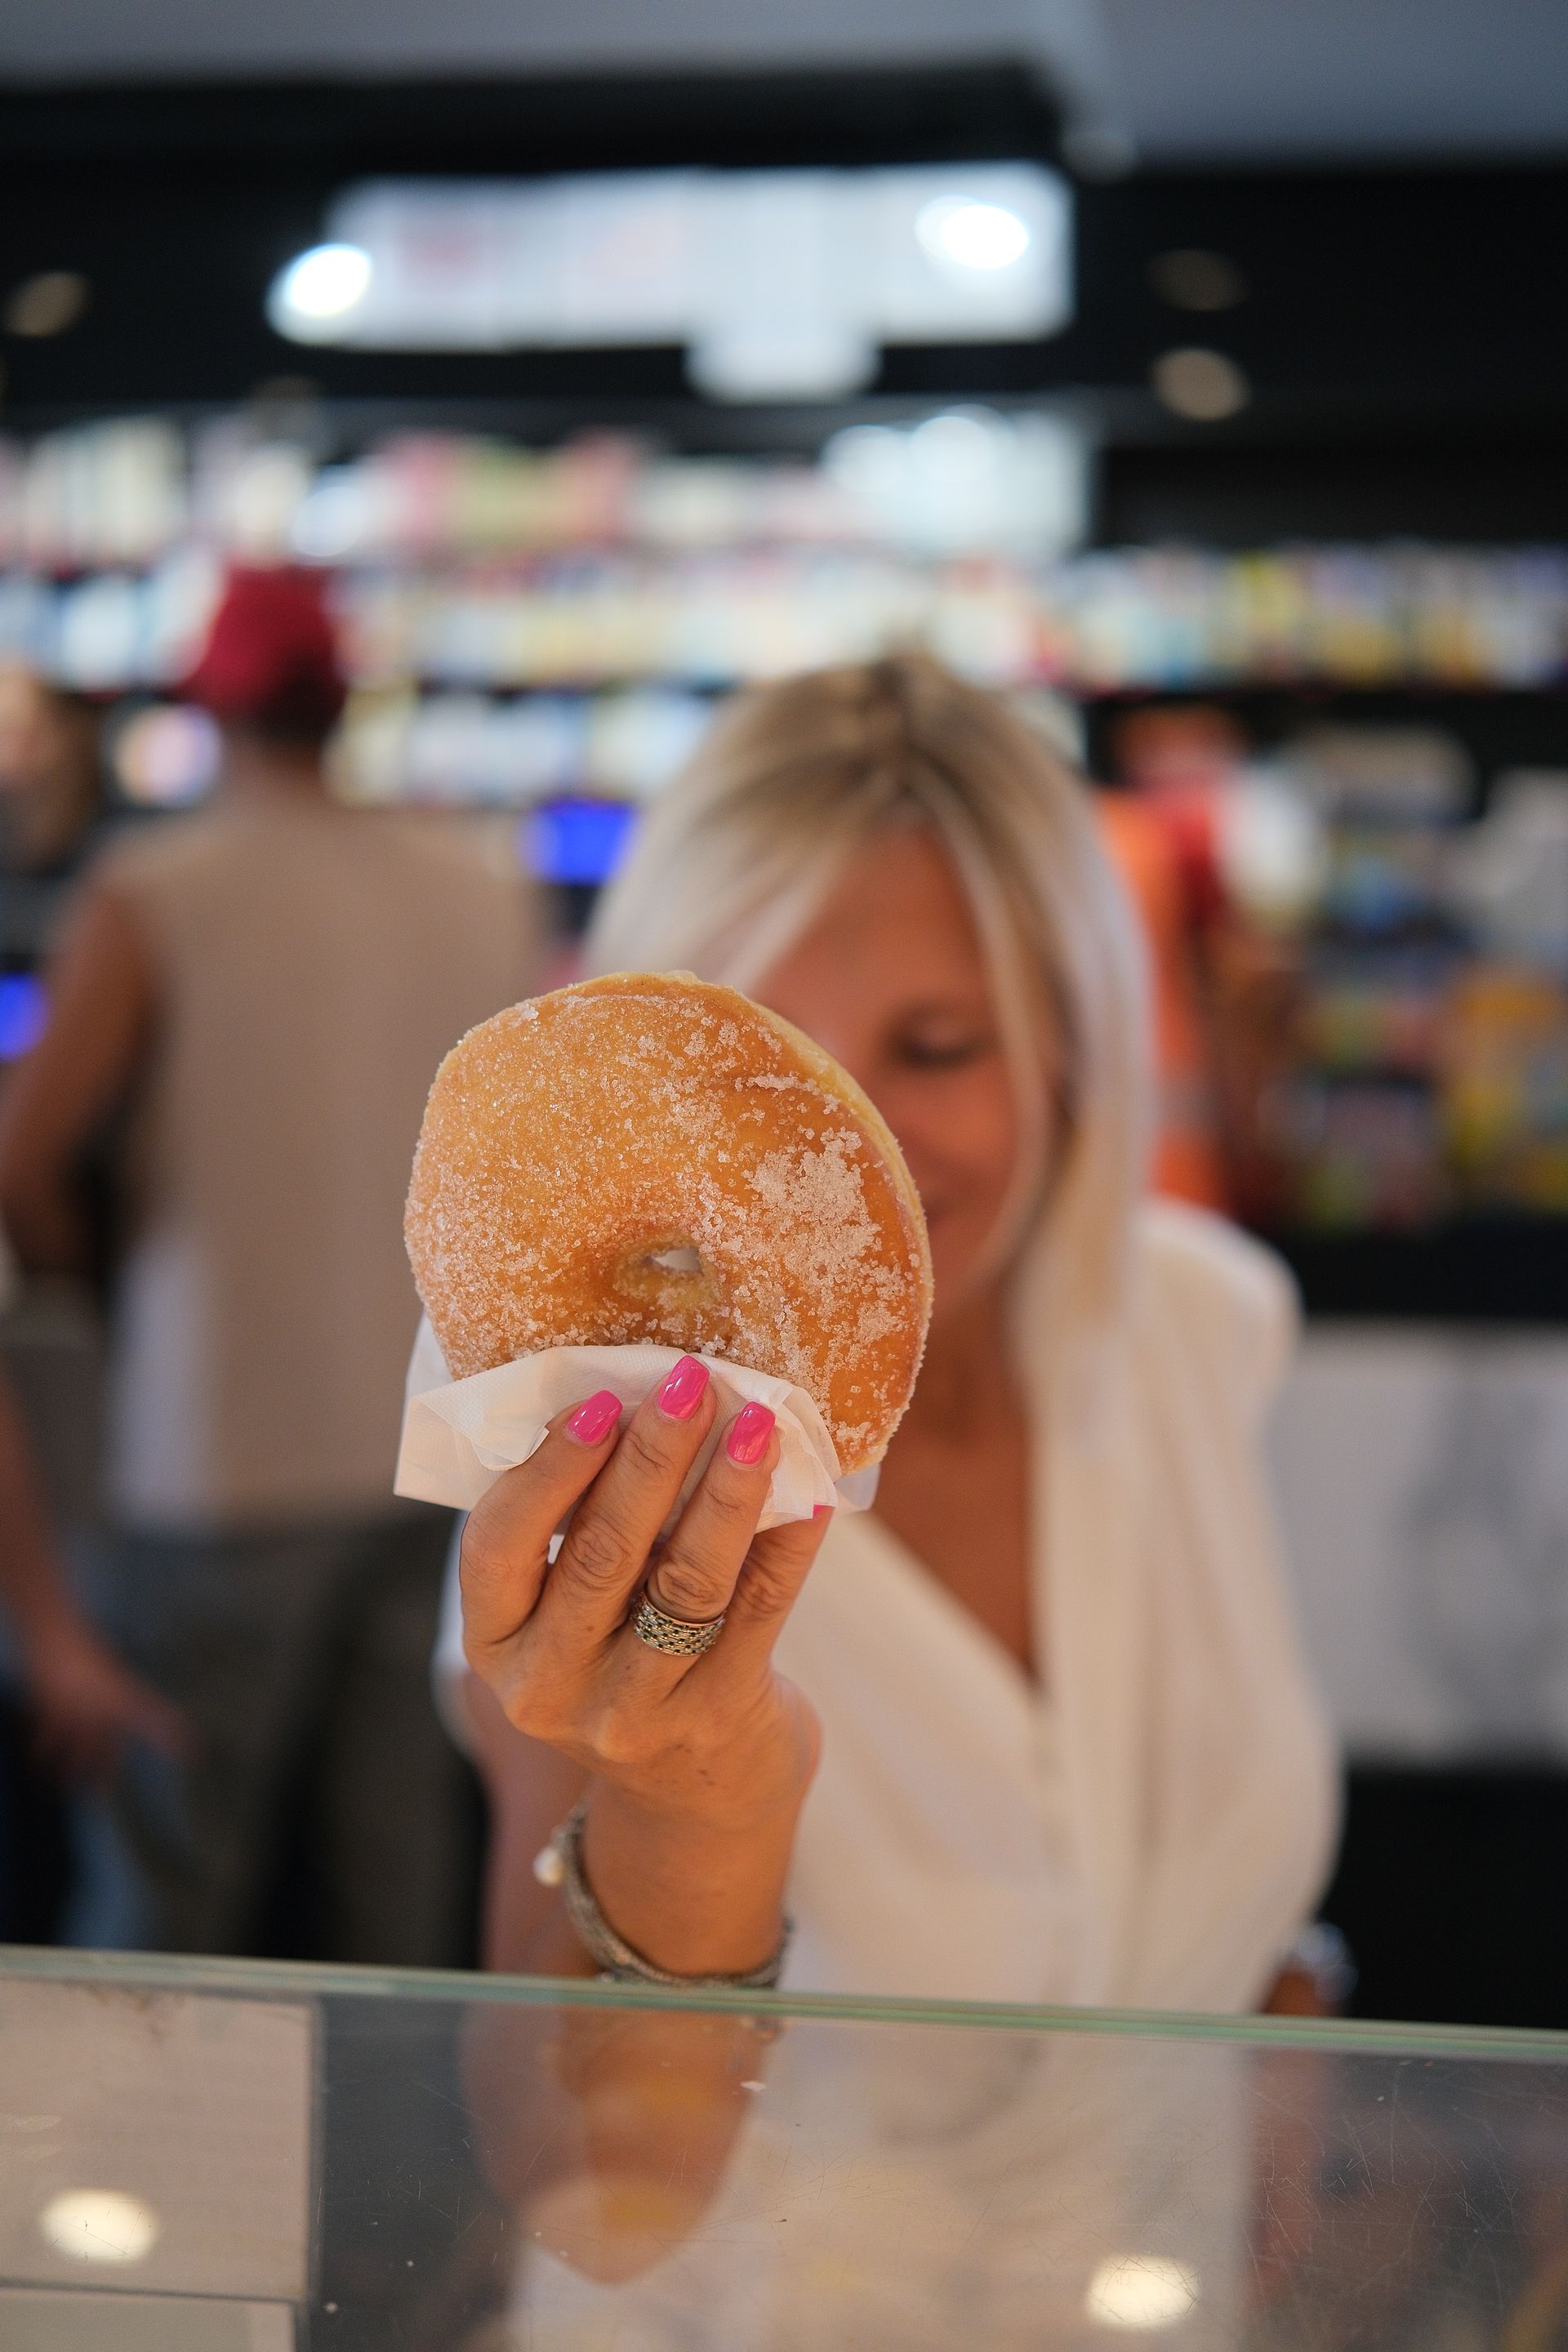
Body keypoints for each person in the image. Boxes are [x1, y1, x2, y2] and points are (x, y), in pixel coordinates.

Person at [445, 653, 1339, 2016]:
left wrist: (1289, 2001)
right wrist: (695, 1821)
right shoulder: (589, 1453)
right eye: (768, 1064)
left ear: (1071, 1055)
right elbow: (573, 2170)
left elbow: (1221, 1873)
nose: (842, 1148)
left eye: (932, 1049)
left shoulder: (1203, 1325)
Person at [0, 565, 538, 1962]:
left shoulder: (154, 886)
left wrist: (94, 1278)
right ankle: (401, 2184)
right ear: (346, 700)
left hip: (218, 1448)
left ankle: (131, 2184)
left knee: (171, 1904)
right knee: (398, 1898)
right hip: (437, 1444)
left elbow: (22, 1159)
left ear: (208, 701)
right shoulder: (481, 879)